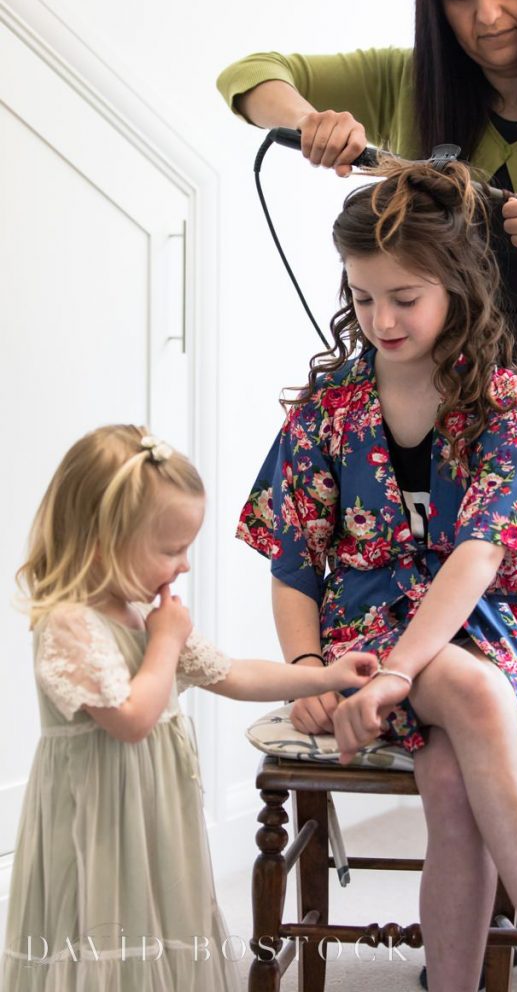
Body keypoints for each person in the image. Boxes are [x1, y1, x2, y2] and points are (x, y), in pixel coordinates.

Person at [218, 0, 517, 935]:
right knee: (472, 684)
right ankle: (489, 949)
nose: (486, 17)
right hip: (437, 420)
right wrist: (311, 118)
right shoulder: (408, 86)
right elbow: (248, 69)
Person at [236, 155, 517, 991]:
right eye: (361, 296)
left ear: (457, 285)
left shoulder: (504, 403)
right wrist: (307, 669)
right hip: (359, 640)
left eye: (403, 297)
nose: (379, 317)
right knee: (478, 699)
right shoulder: (328, 409)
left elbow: (477, 555)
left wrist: (406, 673)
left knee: (454, 782)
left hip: (471, 631)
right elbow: (294, 559)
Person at [1, 424, 376, 992]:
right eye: (172, 550)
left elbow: (231, 672)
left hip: (154, 812)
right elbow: (131, 718)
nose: (184, 566)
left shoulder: (144, 616)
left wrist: (322, 673)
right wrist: (166, 643)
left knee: (157, 917)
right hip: (99, 819)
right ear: (105, 541)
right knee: (104, 927)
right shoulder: (70, 623)